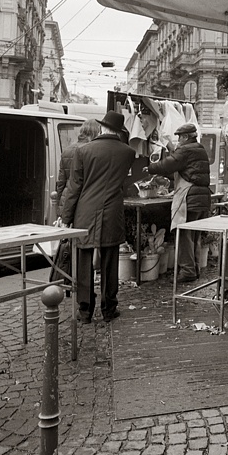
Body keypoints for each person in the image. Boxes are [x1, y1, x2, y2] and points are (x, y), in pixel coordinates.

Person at [61, 111, 136, 323]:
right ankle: (109, 309)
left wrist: (66, 217)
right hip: (112, 210)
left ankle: (85, 311)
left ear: (102, 127)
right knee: (110, 262)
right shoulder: (128, 152)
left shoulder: (84, 151)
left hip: (85, 211)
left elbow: (74, 187)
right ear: (119, 131)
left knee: (84, 262)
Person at [144, 123, 211, 283]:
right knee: (194, 236)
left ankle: (187, 271)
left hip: (190, 198)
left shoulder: (186, 149)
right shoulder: (199, 148)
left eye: (180, 137)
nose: (178, 140)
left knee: (184, 234)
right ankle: (194, 268)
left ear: (186, 137)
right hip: (201, 197)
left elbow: (169, 163)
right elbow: (186, 170)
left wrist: (151, 168)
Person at [55, 118, 100, 219]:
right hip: (83, 202)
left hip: (66, 200)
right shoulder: (92, 151)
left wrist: (59, 205)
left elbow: (61, 182)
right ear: (96, 132)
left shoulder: (67, 151)